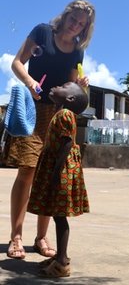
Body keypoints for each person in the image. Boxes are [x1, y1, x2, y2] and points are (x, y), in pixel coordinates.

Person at [3, 0, 95, 260]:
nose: (75, 26)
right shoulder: (42, 32)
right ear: (65, 16)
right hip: (33, 111)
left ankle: (41, 237)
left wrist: (82, 84)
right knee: (27, 171)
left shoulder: (77, 51)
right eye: (73, 19)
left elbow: (71, 86)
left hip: (58, 116)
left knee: (50, 176)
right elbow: (17, 62)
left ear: (85, 28)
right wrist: (30, 82)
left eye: (81, 24)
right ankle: (16, 237)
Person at [27, 82, 89, 278]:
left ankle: (61, 262)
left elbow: (67, 143)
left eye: (63, 86)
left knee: (59, 216)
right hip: (59, 168)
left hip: (59, 170)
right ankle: (61, 257)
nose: (56, 86)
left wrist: (55, 173)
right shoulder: (62, 113)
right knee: (56, 215)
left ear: (70, 99)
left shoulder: (64, 115)